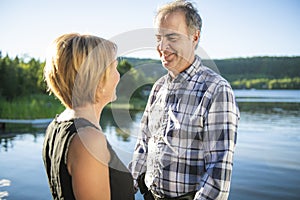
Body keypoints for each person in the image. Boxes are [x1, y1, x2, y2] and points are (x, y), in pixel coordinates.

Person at [129, 1, 240, 199]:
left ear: (194, 37)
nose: (162, 47)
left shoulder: (216, 89)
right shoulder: (158, 88)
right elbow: (143, 144)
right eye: (158, 38)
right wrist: (127, 188)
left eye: (171, 37)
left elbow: (218, 171)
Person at [42, 33, 135, 200]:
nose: (118, 76)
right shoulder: (89, 140)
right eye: (114, 68)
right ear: (97, 78)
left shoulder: (56, 125)